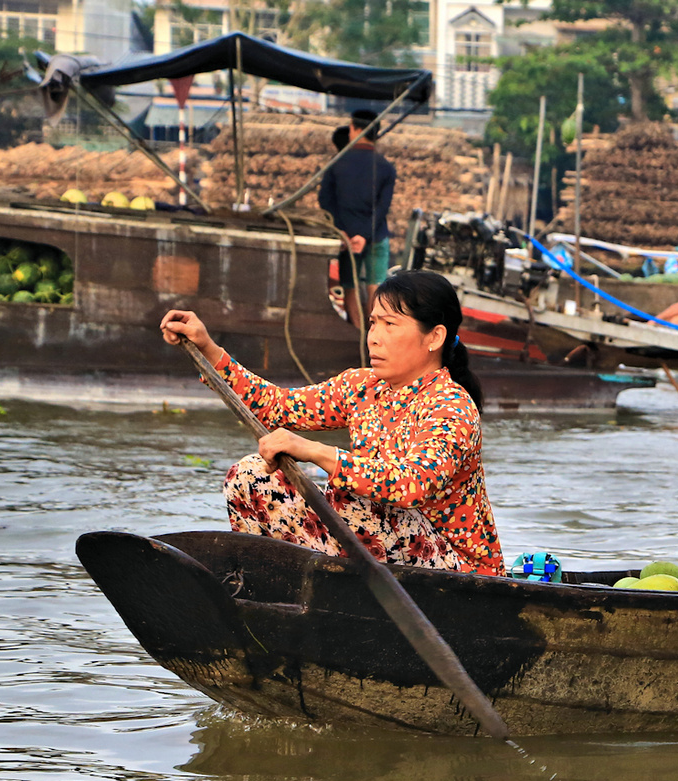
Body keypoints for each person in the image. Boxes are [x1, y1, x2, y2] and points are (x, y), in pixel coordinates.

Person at [158, 270, 503, 574]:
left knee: (360, 501)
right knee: (251, 475)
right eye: (373, 323)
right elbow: (276, 406)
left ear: (435, 337)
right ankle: (272, 582)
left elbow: (410, 485)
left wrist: (317, 453)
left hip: (460, 574)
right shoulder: (361, 386)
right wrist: (207, 347)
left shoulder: (451, 407)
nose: (374, 337)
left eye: (390, 325)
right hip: (380, 554)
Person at [319, 109, 397, 315]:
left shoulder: (336, 164)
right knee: (376, 286)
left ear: (356, 129)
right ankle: (373, 334)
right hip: (376, 236)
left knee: (349, 286)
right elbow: (383, 207)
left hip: (346, 238)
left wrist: (342, 232)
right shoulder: (386, 168)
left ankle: (357, 332)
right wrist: (364, 235)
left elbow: (325, 200)